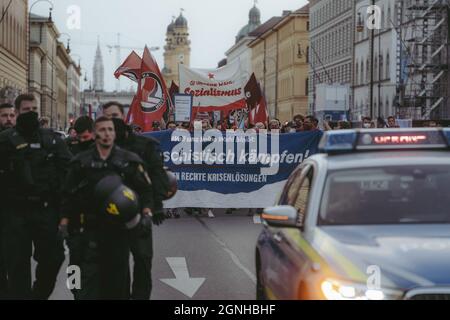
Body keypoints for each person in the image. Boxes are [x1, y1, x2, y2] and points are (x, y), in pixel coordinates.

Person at [61, 116, 154, 300]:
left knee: (116, 287)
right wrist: (64, 221)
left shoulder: (129, 161)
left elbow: (145, 190)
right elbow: (67, 194)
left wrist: (146, 213)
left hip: (117, 232)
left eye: (110, 130)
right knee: (78, 280)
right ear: (95, 134)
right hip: (87, 231)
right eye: (102, 130)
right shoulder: (81, 162)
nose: (107, 134)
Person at [0, 94, 71, 299]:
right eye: (26, 110)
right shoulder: (5, 141)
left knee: (53, 257)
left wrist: (65, 210)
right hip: (14, 212)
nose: (31, 114)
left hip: (46, 210)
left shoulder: (52, 139)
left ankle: (38, 295)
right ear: (17, 113)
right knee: (17, 265)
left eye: (34, 110)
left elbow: (68, 173)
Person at [102, 101, 169, 300]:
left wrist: (157, 206)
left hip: (140, 214)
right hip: (111, 216)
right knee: (117, 265)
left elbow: (158, 176)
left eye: (115, 116)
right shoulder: (100, 148)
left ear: (124, 117)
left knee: (142, 260)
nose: (112, 121)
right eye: (108, 117)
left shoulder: (144, 146)